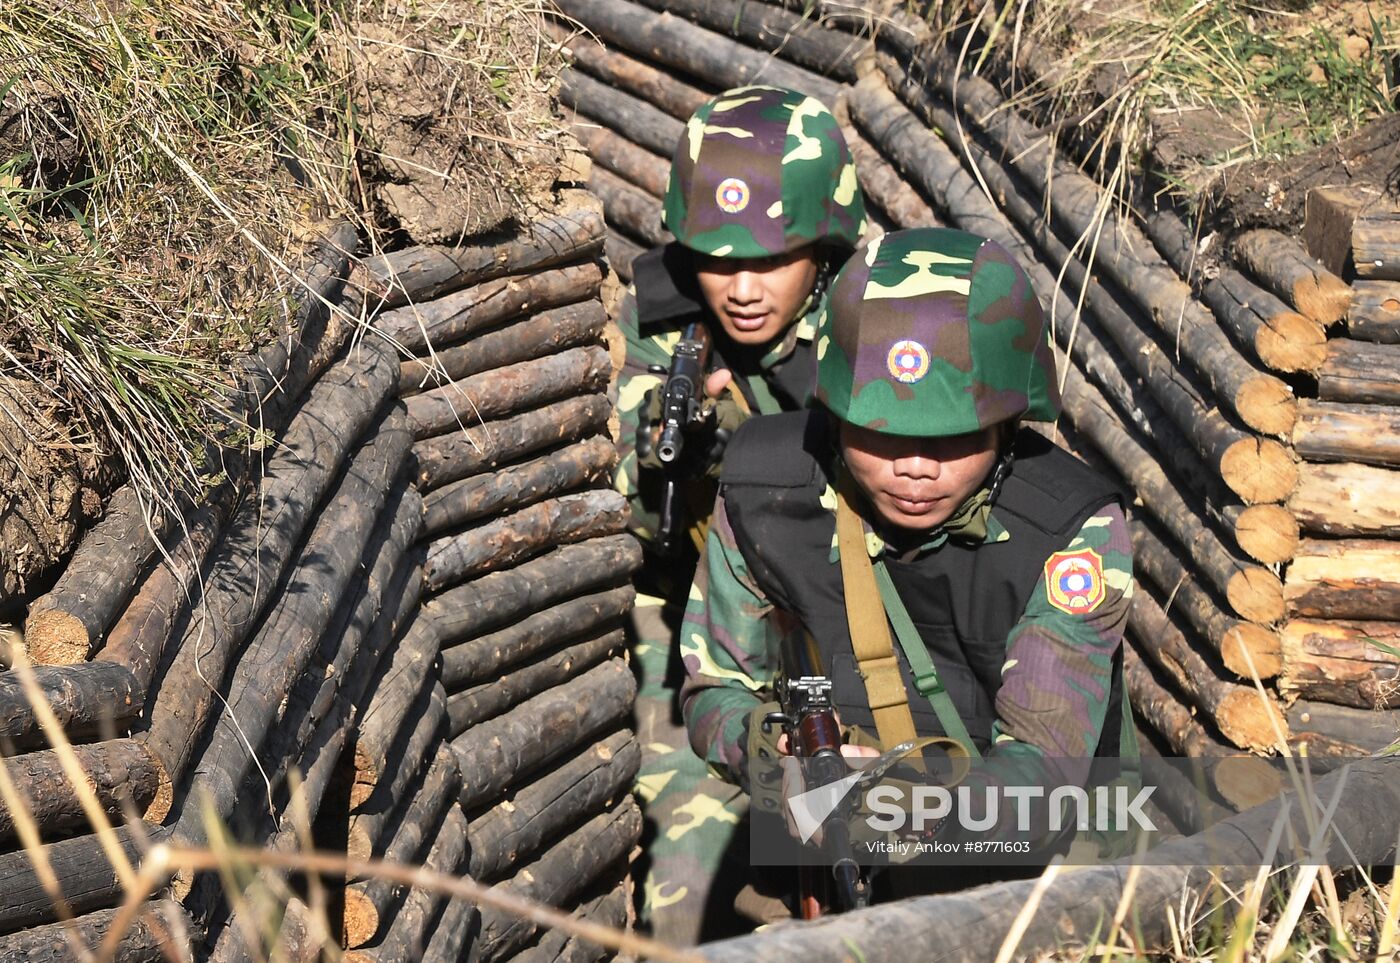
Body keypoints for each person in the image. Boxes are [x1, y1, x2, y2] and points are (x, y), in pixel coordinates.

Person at [680, 227, 1138, 903]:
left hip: (1033, 870)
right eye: (882, 432)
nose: (916, 467)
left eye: (952, 436)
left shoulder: (1072, 532)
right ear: (834, 415)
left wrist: (889, 804)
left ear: (1009, 424)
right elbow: (713, 687)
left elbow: (1041, 782)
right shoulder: (762, 490)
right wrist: (777, 762)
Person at [611, 85, 867, 941]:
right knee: (688, 894)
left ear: (824, 247)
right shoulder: (669, 326)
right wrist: (670, 459)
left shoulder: (876, 321)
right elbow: (636, 530)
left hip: (861, 622)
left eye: (772, 258)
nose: (743, 288)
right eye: (719, 260)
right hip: (706, 633)